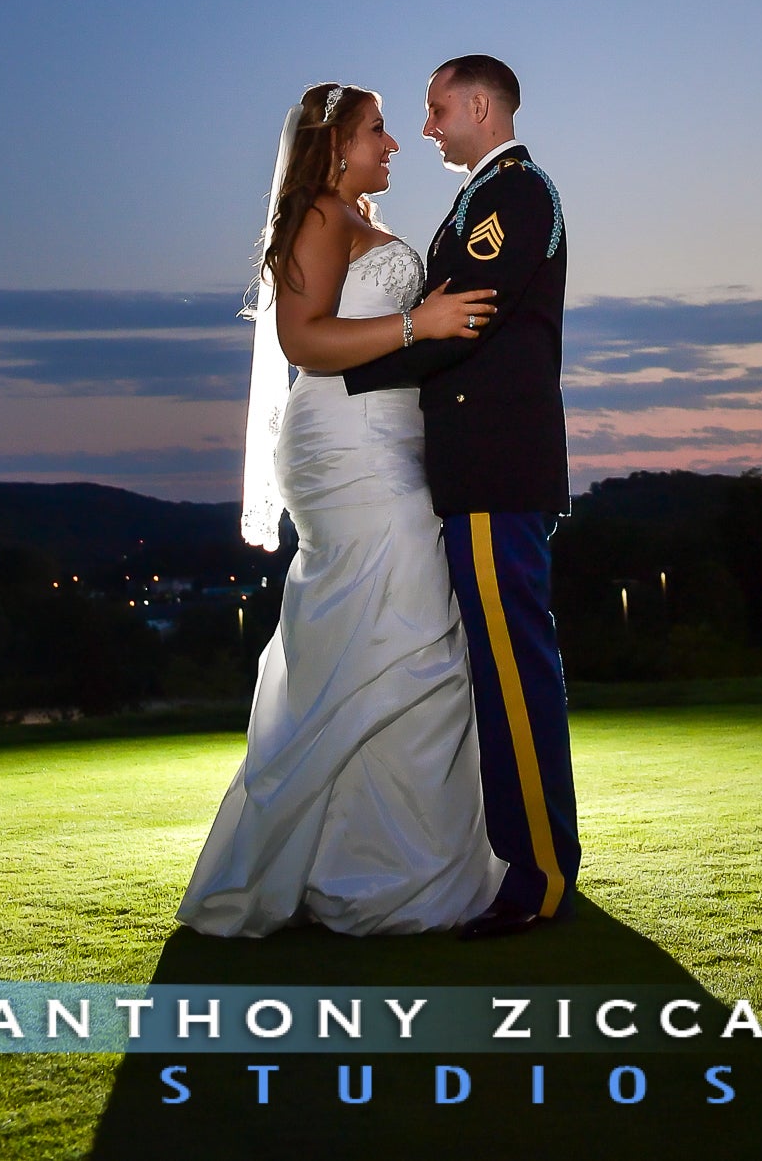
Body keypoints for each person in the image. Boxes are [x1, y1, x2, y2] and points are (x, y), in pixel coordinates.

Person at [177, 82, 505, 937]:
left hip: (392, 440)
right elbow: (303, 340)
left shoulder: (356, 218)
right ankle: (382, 877)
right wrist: (417, 326)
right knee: (402, 630)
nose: (393, 144)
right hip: (347, 446)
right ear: (333, 146)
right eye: (375, 130)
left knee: (394, 637)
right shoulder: (321, 216)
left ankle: (369, 863)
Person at [342, 55, 581, 937]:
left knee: (514, 673)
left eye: (438, 109)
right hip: (477, 468)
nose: (429, 126)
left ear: (480, 105)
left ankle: (541, 874)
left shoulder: (515, 195)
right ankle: (519, 857)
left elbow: (466, 312)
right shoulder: (481, 198)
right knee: (495, 669)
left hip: (495, 467)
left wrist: (350, 370)